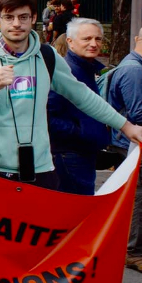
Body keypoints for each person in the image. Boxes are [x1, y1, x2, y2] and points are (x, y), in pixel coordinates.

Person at [0, 0, 142, 193]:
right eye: (9, 17)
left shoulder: (47, 56)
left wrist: (126, 126)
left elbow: (82, 96)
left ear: (34, 18)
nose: (16, 24)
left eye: (23, 17)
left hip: (41, 170)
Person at [107, 24, 142, 276]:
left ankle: (135, 250)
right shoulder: (134, 71)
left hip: (141, 147)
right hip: (139, 148)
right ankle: (135, 252)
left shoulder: (138, 67)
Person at [47, 18, 111, 196]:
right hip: (70, 154)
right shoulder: (66, 72)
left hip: (81, 152)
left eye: (98, 39)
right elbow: (48, 115)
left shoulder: (85, 69)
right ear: (70, 41)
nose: (93, 44)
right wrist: (80, 132)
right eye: (87, 39)